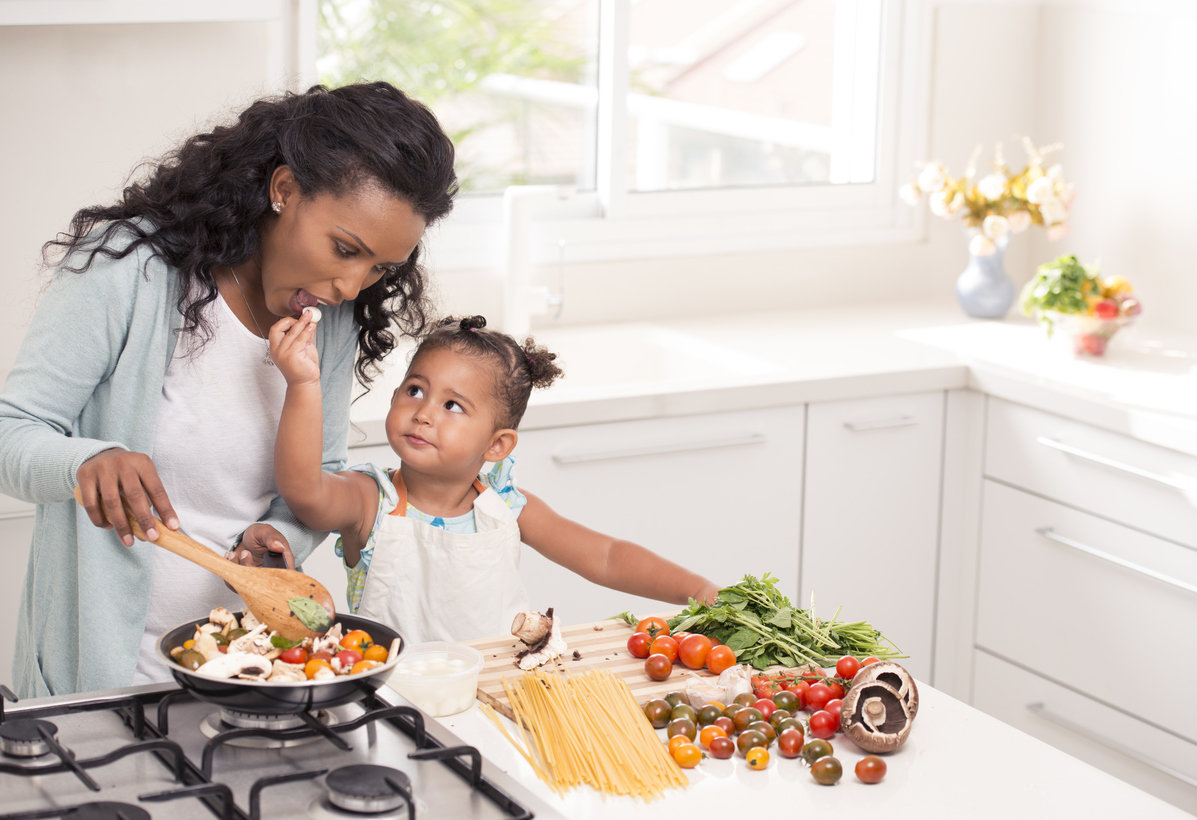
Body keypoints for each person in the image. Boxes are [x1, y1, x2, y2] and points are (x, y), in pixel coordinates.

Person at [0, 81, 458, 697]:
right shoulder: (129, 268)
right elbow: (11, 430)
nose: (352, 285)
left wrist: (281, 537)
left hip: (244, 671)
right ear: (284, 190)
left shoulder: (331, 317)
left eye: (380, 267)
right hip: (103, 681)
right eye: (344, 249)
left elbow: (316, 474)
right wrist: (87, 461)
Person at [268, 313, 719, 642]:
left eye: (453, 406)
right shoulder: (370, 500)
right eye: (415, 390)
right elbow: (305, 491)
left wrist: (696, 590)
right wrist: (304, 386)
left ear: (496, 446)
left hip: (503, 697)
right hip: (400, 705)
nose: (423, 412)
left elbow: (605, 556)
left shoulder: (505, 507)